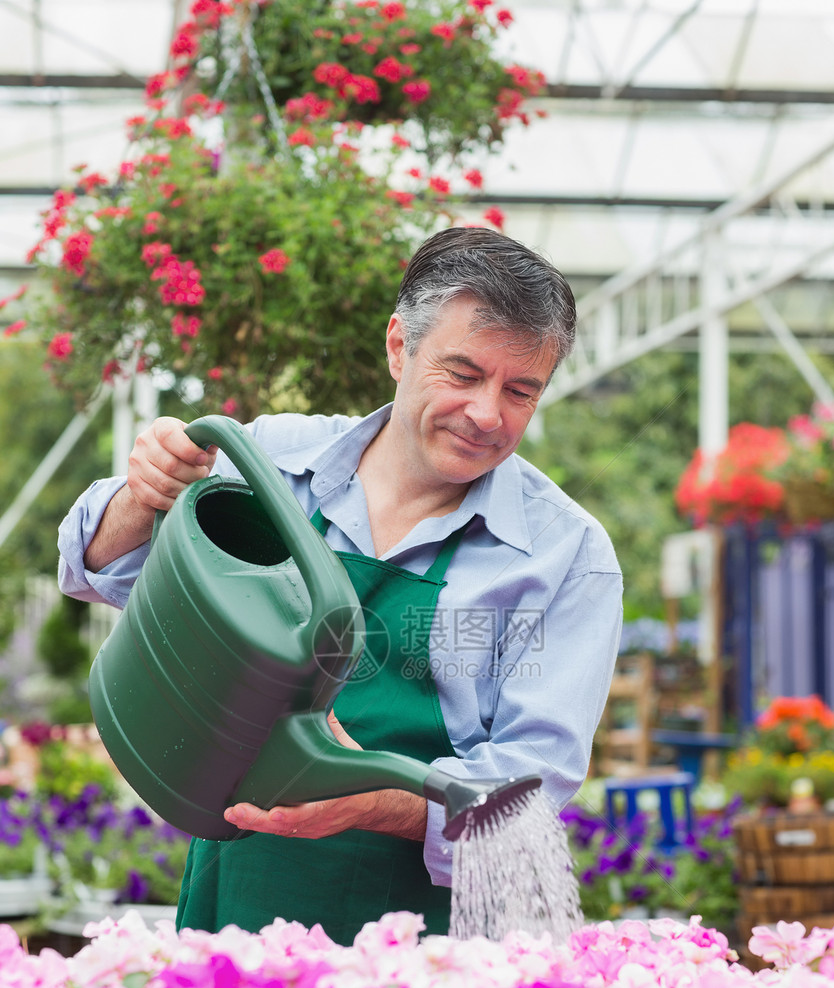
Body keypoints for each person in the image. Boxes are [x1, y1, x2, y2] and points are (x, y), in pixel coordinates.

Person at [58, 225, 623, 943]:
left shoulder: (565, 555)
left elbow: (527, 794)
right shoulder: (272, 462)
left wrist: (373, 799)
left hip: (427, 940)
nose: (488, 415)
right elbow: (94, 568)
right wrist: (143, 494)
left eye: (521, 391)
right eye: (462, 373)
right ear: (399, 346)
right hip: (241, 894)